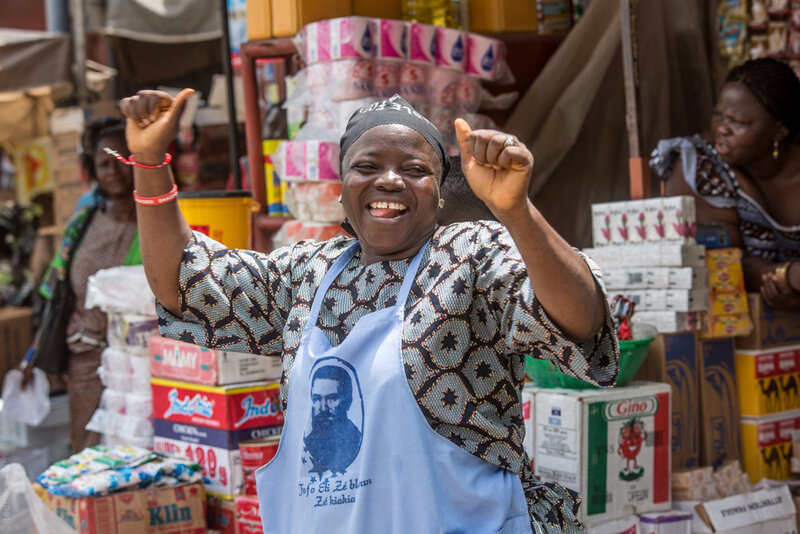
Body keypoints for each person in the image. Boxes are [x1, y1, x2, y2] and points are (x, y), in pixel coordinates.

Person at [121, 90, 618, 533]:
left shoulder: (470, 257)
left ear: (440, 193)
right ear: (341, 186)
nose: (389, 180)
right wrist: (148, 159)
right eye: (366, 167)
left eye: (415, 170)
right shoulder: (307, 273)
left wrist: (516, 212)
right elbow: (183, 283)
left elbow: (580, 321)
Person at [650, 58, 800, 312]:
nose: (721, 129)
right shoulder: (702, 167)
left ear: (779, 130)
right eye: (718, 115)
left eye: (738, 122)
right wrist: (787, 275)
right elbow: (717, 260)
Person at [38, 117, 141, 451]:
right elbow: (56, 290)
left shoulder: (157, 223)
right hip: (85, 362)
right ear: (92, 169)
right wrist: (33, 355)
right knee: (88, 452)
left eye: (121, 161)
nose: (113, 171)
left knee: (137, 446)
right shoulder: (82, 222)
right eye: (103, 164)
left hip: (138, 362)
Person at [304, 363, 362, 477]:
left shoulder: (359, 442)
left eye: (331, 398)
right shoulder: (306, 444)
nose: (323, 407)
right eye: (316, 399)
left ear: (348, 401)